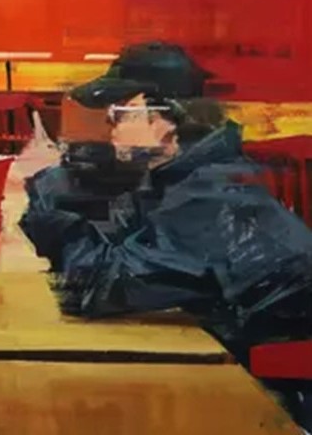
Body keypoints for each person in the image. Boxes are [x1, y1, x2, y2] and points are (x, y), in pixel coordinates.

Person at [20, 42, 312, 430]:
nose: (110, 126)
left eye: (121, 113)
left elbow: (94, 287)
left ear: (166, 119)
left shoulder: (210, 197)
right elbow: (125, 255)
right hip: (241, 379)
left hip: (282, 406)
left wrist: (47, 191)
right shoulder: (190, 179)